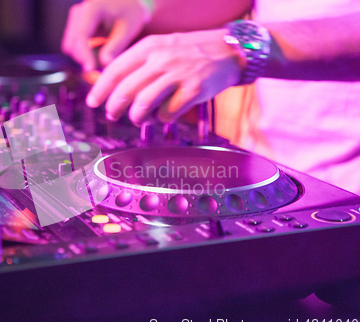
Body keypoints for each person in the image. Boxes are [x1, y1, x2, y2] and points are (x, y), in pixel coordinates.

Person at [62, 0, 360, 194]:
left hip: (350, 193)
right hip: (278, 177)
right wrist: (142, 8)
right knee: (40, 207)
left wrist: (242, 47)